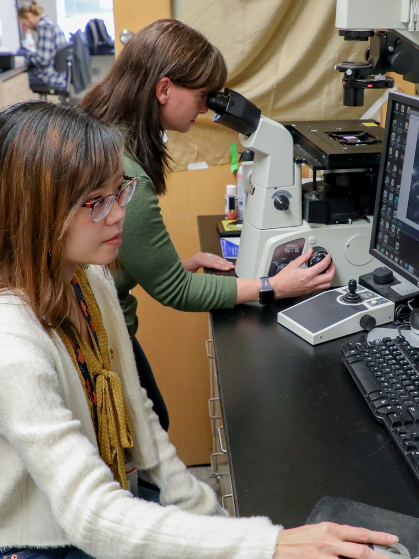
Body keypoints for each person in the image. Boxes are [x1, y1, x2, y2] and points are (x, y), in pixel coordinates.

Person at [0, 101, 402, 559]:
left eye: (120, 190)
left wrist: (228, 528)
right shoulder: (1, 338)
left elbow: (140, 421)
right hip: (25, 558)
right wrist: (265, 548)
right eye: (96, 202)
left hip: (79, 521)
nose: (120, 213)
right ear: (34, 211)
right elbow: (95, 516)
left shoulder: (89, 278)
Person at [78, 18, 334, 432]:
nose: (203, 111)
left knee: (154, 418)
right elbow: (176, 292)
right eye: (200, 97)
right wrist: (273, 288)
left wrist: (171, 263)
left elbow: (106, 258)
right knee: (152, 425)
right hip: (98, 339)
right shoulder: (123, 174)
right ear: (163, 89)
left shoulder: (101, 133)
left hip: (90, 319)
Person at [15, 1, 69, 93]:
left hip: (50, 77)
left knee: (15, 80)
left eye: (24, 24)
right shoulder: (50, 22)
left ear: (28, 15)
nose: (26, 27)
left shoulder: (43, 26)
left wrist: (26, 54)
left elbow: (42, 59)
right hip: (59, 75)